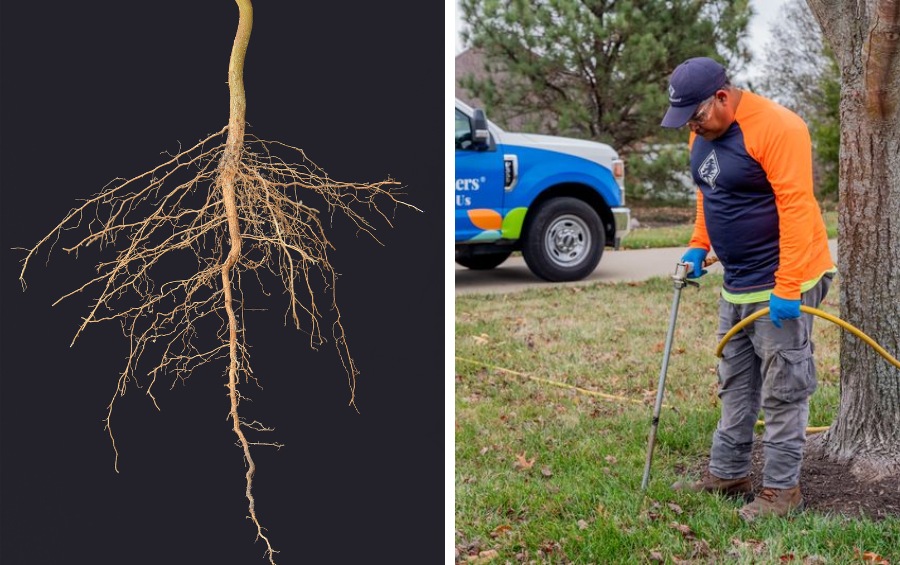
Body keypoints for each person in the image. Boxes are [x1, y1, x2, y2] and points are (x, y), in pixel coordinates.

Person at [660, 57, 836, 521]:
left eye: (696, 116)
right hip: (736, 281)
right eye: (686, 121)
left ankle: (782, 491)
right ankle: (729, 473)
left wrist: (788, 286)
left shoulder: (779, 127)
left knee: (784, 388)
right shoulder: (703, 132)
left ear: (722, 96)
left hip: (784, 279)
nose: (692, 127)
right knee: (735, 382)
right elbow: (708, 191)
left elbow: (796, 207)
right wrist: (699, 244)